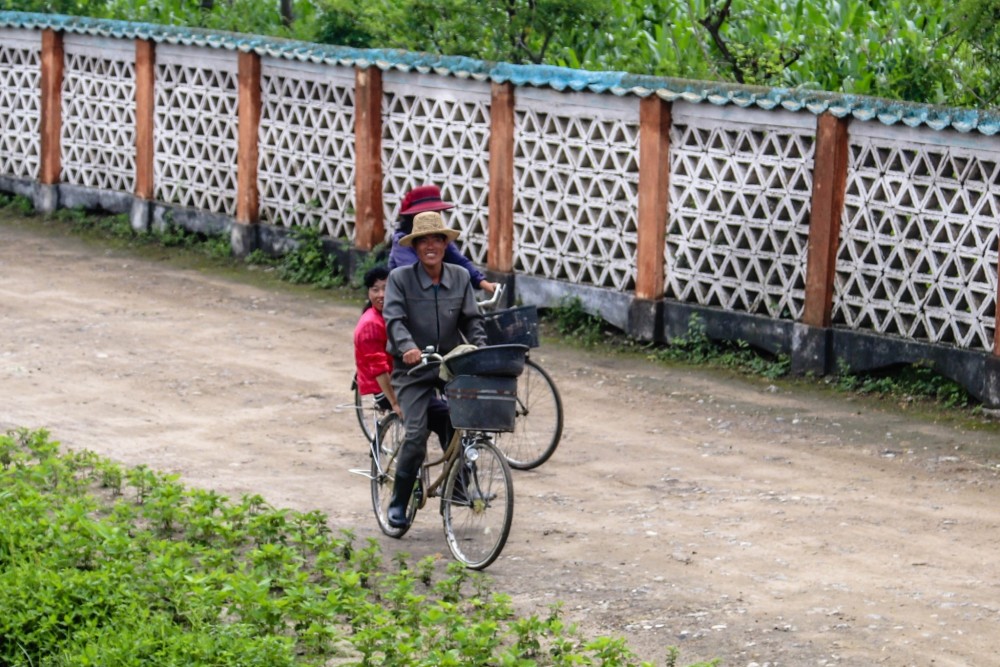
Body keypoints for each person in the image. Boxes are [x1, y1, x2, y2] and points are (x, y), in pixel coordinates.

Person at [382, 210, 487, 528]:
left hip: (450, 365)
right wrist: (407, 348)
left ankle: (458, 489)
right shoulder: (401, 279)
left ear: (445, 244)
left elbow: (472, 320)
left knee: (464, 427)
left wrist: (480, 349)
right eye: (423, 240)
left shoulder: (459, 277)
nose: (431, 245)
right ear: (414, 247)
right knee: (415, 433)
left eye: (437, 239)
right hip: (412, 369)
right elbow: (394, 320)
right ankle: (399, 500)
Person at [388, 184, 498, 295]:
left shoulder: (441, 238)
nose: (431, 245)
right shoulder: (402, 242)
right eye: (423, 241)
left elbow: (459, 261)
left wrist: (485, 284)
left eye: (436, 213)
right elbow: (414, 276)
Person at [352, 265, 400, 417]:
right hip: (385, 388)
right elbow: (379, 369)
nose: (382, 294)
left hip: (399, 376)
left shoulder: (393, 313)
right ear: (368, 292)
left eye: (386, 288)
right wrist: (394, 403)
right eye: (375, 289)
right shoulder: (370, 324)